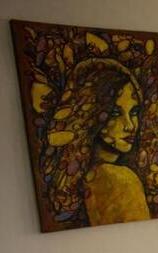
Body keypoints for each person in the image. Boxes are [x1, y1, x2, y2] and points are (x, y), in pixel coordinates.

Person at [44, 58, 150, 226]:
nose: (130, 126)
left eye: (134, 112)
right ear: (92, 115)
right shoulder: (121, 180)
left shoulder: (80, 178)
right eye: (115, 113)